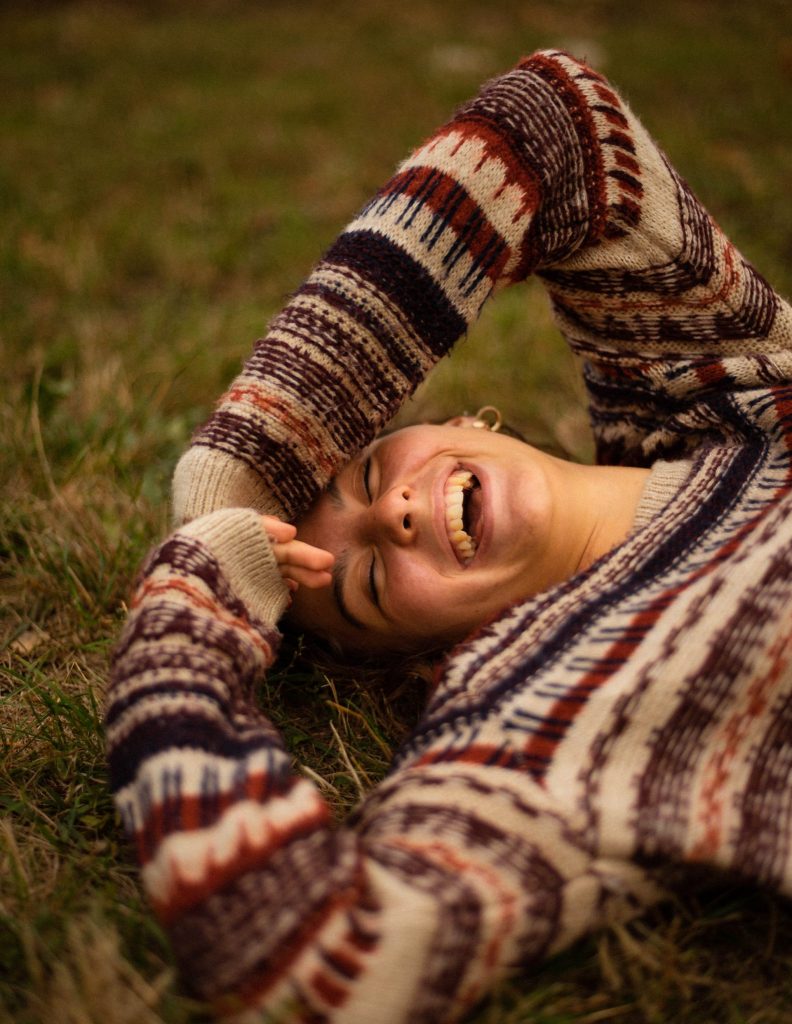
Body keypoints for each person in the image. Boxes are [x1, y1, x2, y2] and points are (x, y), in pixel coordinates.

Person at [106, 49, 792, 1024]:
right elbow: (308, 962)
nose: (392, 515)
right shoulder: (538, 715)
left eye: (368, 472)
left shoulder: (713, 394)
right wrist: (191, 614)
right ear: (426, 657)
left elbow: (557, 121)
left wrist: (251, 465)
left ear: (468, 423)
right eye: (368, 585)